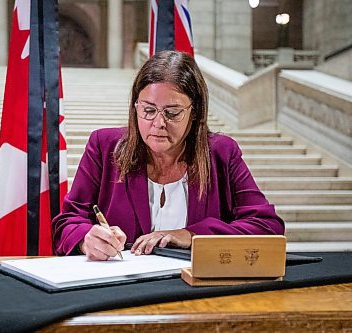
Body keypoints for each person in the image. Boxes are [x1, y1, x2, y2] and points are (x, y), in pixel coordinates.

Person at [52, 50, 284, 261]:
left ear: (195, 112)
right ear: (135, 107)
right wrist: (86, 239)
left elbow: (267, 225)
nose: (158, 123)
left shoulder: (221, 153)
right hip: (118, 289)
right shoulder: (104, 146)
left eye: (172, 113)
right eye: (149, 110)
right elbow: (66, 223)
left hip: (194, 291)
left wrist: (192, 235)